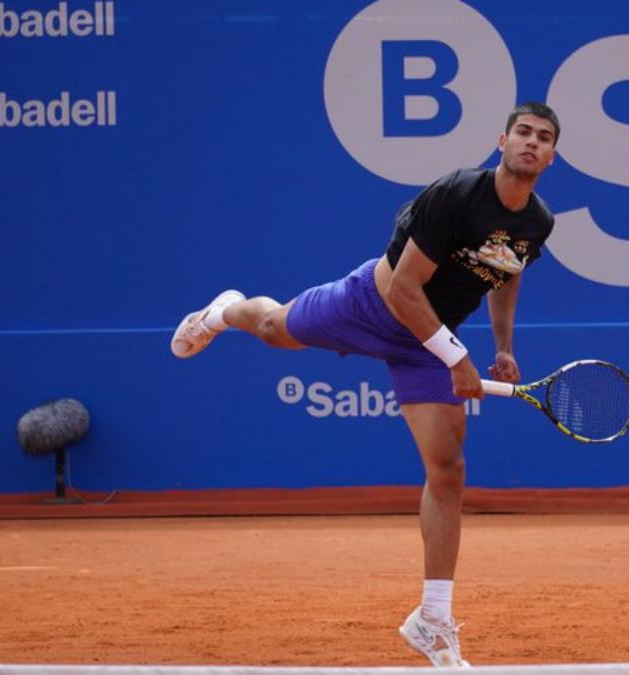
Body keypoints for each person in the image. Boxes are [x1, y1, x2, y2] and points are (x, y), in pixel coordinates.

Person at [170, 102, 560, 667]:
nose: (531, 142)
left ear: (551, 156)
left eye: (543, 137)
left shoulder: (537, 222)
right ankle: (223, 311)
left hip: (426, 341)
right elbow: (403, 289)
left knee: (448, 469)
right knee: (273, 328)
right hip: (372, 305)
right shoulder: (456, 194)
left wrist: (502, 346)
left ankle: (432, 619)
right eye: (523, 132)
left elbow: (506, 274)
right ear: (502, 141)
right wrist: (457, 357)